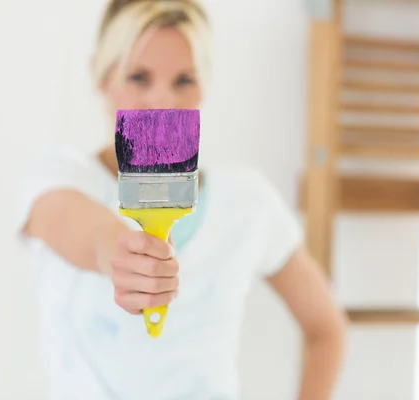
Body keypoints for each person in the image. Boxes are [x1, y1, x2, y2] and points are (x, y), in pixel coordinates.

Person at [18, 0, 347, 399]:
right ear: (101, 77)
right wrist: (117, 253)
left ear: (205, 86)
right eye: (139, 76)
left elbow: (326, 328)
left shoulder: (248, 201)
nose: (162, 100)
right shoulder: (60, 177)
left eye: (184, 80)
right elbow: (84, 231)